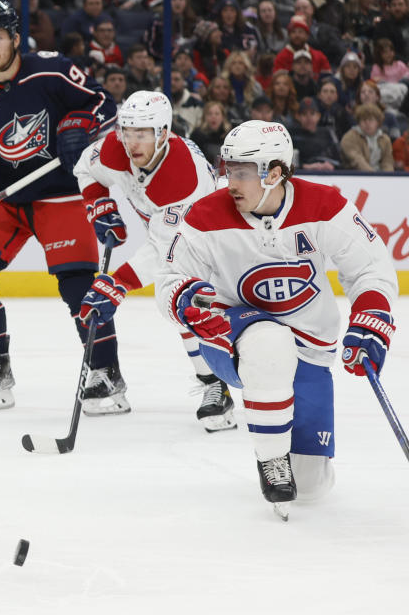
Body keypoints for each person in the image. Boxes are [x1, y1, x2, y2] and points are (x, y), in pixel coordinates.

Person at [154, 119, 398, 516]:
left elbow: (370, 267)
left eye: (242, 172)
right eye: (228, 168)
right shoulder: (205, 215)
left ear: (276, 172)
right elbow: (169, 279)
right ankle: (271, 457)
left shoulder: (325, 205)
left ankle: (290, 454)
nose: (230, 181)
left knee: (312, 488)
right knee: (270, 340)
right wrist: (184, 300)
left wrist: (371, 315)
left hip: (311, 347)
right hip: (230, 336)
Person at [0, 1, 116, 411]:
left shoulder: (50, 71)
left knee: (78, 288)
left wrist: (80, 126)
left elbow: (104, 105)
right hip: (9, 199)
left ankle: (107, 375)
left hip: (61, 194)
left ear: (16, 37)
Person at [74, 92, 233, 426]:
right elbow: (85, 167)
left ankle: (225, 381)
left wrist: (117, 284)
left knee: (198, 306)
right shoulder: (114, 149)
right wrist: (99, 204)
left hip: (215, 237)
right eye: (127, 131)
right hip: (172, 237)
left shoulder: (182, 177)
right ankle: (214, 382)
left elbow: (165, 251)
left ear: (163, 132)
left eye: (142, 133)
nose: (132, 141)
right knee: (182, 307)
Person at [340, 102, 395, 171]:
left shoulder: (385, 139)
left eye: (371, 120)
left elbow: (387, 162)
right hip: (357, 176)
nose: (367, 123)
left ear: (378, 122)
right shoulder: (349, 137)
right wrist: (373, 176)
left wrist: (387, 177)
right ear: (358, 122)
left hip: (381, 177)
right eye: (364, 120)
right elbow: (357, 160)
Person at [290, 96, 340, 170]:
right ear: (298, 117)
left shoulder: (328, 133)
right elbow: (287, 163)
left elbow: (339, 160)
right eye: (304, 114)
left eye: (312, 113)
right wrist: (305, 167)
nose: (308, 117)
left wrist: (332, 166)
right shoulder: (292, 135)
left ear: (318, 116)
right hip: (302, 176)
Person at [170, 67, 204, 135]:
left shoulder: (196, 104)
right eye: (169, 79)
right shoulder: (154, 101)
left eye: (176, 79)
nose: (172, 83)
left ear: (183, 82)